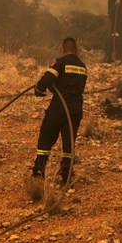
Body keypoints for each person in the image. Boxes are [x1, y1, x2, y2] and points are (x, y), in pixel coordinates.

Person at [30, 37, 87, 185]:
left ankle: (38, 171)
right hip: (75, 109)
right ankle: (66, 173)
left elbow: (48, 77)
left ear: (63, 49)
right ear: (76, 49)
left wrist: (39, 88)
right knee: (69, 141)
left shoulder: (60, 62)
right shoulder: (82, 66)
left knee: (46, 137)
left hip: (59, 106)